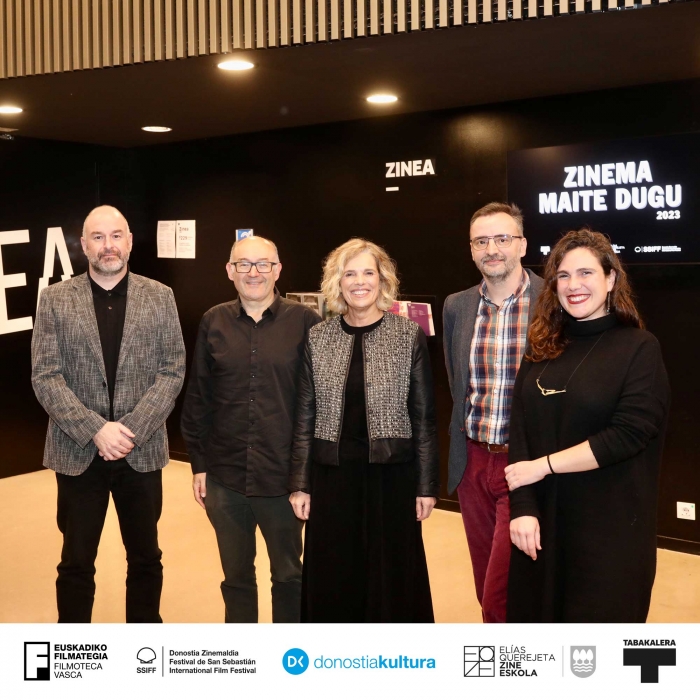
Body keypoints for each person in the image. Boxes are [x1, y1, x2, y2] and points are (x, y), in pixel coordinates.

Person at [505, 229, 670, 622]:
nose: (573, 285)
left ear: (610, 279)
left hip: (609, 532)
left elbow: (627, 435)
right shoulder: (541, 345)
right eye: (563, 275)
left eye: (585, 273)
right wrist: (522, 508)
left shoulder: (639, 348)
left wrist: (544, 466)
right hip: (540, 527)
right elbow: (520, 427)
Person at [31, 205, 186, 623]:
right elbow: (45, 375)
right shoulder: (55, 299)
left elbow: (172, 371)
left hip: (141, 451)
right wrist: (96, 429)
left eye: (116, 236)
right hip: (78, 453)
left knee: (146, 558)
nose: (108, 246)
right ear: (83, 245)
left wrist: (130, 429)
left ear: (130, 241)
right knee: (76, 562)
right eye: (98, 237)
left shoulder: (160, 296)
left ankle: (142, 650)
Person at [289, 238, 439, 622]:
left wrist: (426, 485)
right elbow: (304, 416)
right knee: (334, 575)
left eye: (368, 273)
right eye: (349, 274)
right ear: (337, 283)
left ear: (382, 279)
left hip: (392, 477)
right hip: (331, 476)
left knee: (391, 576)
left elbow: (424, 418)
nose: (359, 282)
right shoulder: (318, 337)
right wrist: (300, 483)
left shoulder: (408, 335)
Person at [180, 236, 320, 623]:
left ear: (278, 270)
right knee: (236, 579)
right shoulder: (213, 321)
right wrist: (198, 464)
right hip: (225, 479)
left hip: (283, 481)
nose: (253, 272)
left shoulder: (306, 322)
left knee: (289, 577)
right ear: (230, 271)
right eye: (244, 264)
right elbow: (198, 397)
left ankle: (289, 654)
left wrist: (306, 477)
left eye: (263, 264)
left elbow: (319, 405)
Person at [443, 202, 544, 623]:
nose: (492, 249)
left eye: (502, 238)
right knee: (483, 581)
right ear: (471, 249)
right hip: (472, 462)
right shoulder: (456, 306)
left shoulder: (552, 301)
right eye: (481, 241)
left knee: (501, 592)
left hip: (525, 463)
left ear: (522, 244)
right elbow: (457, 381)